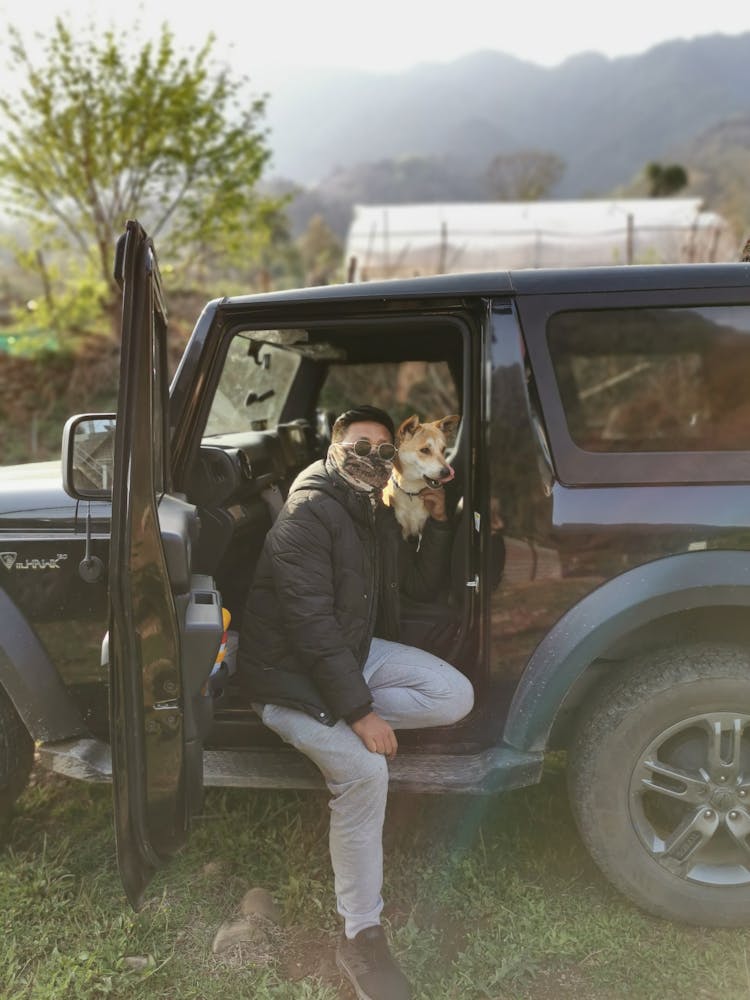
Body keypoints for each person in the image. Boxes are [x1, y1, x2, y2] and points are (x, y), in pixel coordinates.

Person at [238, 404, 474, 1000]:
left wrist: (441, 524)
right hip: (288, 677)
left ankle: (346, 719)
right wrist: (362, 713)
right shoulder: (307, 513)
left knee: (454, 694)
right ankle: (362, 934)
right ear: (333, 448)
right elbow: (310, 625)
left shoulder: (371, 509)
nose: (371, 455)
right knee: (367, 773)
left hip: (348, 655)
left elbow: (413, 588)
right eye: (358, 445)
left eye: (379, 446)